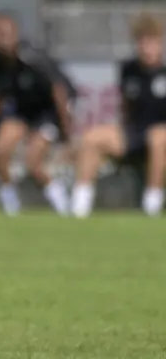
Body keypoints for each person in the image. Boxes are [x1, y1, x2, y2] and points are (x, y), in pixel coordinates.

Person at [70, 15, 166, 217]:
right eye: (142, 42)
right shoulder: (129, 70)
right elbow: (126, 108)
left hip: (160, 139)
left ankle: (152, 204)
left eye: (152, 42)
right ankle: (79, 206)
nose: (147, 48)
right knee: (91, 138)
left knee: (158, 137)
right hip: (135, 134)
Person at [0, 12, 73, 215]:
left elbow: (59, 91)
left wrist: (65, 130)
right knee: (0, 149)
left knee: (33, 161)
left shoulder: (33, 59)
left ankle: (60, 201)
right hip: (23, 114)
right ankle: (10, 202)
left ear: (16, 34)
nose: (3, 40)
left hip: (47, 114)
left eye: (7, 34)